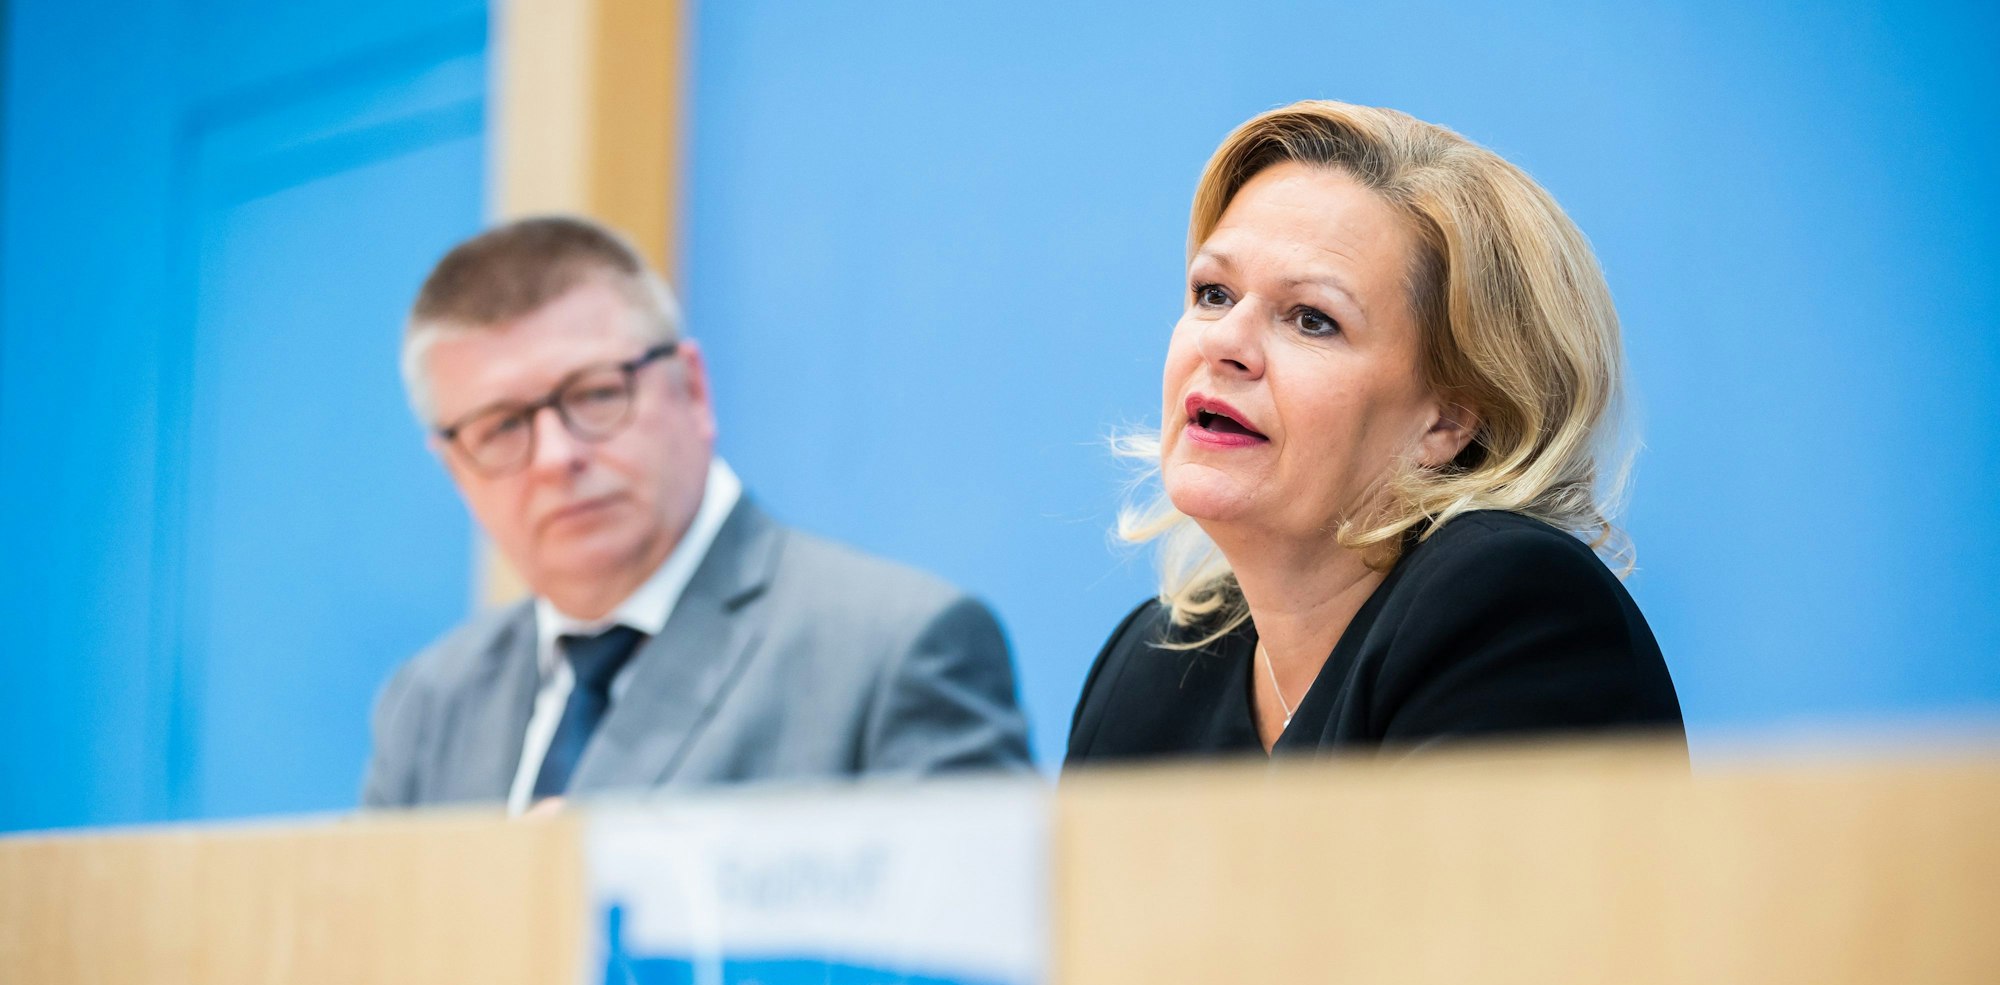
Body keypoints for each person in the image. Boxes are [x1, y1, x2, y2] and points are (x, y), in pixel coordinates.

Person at [1066, 101, 1683, 766]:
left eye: (1311, 319)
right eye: (1214, 293)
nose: (1225, 343)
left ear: (1448, 418)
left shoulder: (1507, 606)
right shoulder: (1151, 668)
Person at [365, 216, 1031, 810]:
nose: (556, 455)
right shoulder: (427, 706)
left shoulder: (894, 651)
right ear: (454, 465)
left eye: (596, 395)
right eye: (502, 426)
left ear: (693, 389)